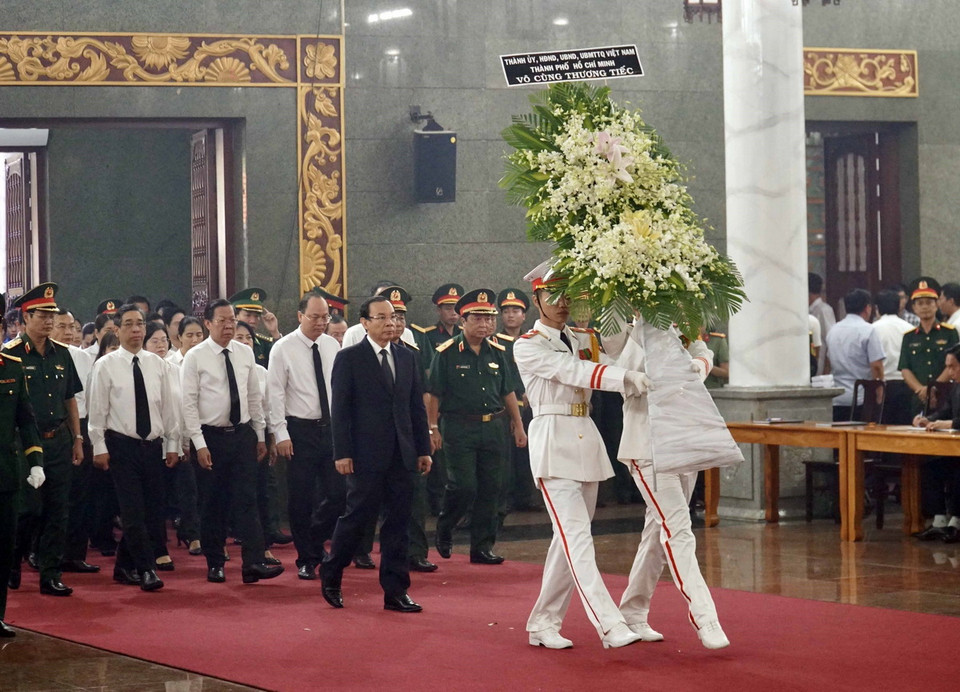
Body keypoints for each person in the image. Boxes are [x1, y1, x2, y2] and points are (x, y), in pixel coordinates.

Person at [513, 264, 650, 649]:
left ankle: (543, 622)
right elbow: (572, 371)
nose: (561, 303)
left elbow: (616, 362)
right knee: (576, 538)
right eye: (551, 296)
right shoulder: (527, 344)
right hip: (553, 442)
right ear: (536, 299)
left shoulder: (581, 337)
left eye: (567, 296)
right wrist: (623, 379)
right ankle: (609, 623)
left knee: (568, 539)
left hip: (585, 439)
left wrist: (637, 325)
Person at [615, 326, 730, 649]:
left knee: (657, 531)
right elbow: (619, 370)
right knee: (678, 528)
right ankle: (704, 616)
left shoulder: (678, 324)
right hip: (646, 443)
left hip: (682, 441)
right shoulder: (624, 328)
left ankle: (633, 612)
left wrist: (699, 365)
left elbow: (701, 349)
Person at [320, 295, 432, 612]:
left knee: (399, 523)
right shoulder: (350, 358)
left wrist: (422, 448)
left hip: (403, 454)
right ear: (365, 323)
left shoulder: (408, 357)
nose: (390, 323)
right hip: (365, 454)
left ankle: (396, 590)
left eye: (394, 317)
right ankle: (331, 571)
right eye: (381, 318)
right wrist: (342, 453)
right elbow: (339, 410)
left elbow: (415, 408)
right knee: (357, 518)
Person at [180, 298, 282, 584]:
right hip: (210, 436)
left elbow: (253, 397)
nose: (228, 326)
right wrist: (198, 444)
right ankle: (215, 562)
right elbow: (188, 404)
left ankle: (253, 563)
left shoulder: (244, 353)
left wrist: (260, 435)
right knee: (213, 503)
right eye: (222, 321)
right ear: (208, 323)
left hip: (242, 435)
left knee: (247, 499)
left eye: (232, 321)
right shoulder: (195, 357)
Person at [428, 289, 526, 565]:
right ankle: (446, 525)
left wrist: (517, 426)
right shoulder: (446, 353)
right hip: (459, 428)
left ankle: (482, 547)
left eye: (489, 319)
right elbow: (434, 393)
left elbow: (508, 392)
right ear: (463, 321)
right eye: (478, 319)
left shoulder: (498, 351)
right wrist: (432, 428)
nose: (485, 324)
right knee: (464, 486)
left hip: (494, 427)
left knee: (491, 488)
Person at [87, 304, 181, 592]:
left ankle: (122, 566)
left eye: (140, 323)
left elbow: (168, 409)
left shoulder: (158, 365)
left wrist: (173, 445)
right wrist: (98, 446)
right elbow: (97, 412)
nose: (136, 329)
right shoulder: (106, 365)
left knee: (153, 511)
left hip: (152, 447)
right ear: (118, 329)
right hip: (121, 447)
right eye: (129, 324)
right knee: (132, 512)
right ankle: (147, 569)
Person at [2, 283, 84, 597]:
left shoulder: (62, 354)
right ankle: (12, 562)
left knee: (57, 509)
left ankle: (51, 574)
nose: (49, 321)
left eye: (52, 315)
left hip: (58, 440)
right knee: (27, 510)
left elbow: (69, 400)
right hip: (24, 444)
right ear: (26, 318)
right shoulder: (10, 355)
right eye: (43, 315)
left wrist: (77, 438)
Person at [266, 292, 342, 580]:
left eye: (326, 317)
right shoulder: (282, 348)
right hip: (299, 430)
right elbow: (274, 393)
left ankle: (312, 540)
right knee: (301, 497)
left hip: (331, 429)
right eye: (315, 317)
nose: (322, 322)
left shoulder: (332, 345)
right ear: (300, 316)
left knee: (338, 494)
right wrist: (280, 433)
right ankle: (306, 557)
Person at [0, 292, 45, 637]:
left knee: (4, 545)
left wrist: (35, 461)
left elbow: (26, 419)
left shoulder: (12, 367)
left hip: (5, 473)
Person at [233, 320, 286, 565]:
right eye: (239, 337)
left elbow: (267, 408)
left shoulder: (261, 372)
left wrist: (270, 438)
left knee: (260, 492)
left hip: (256, 436)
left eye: (248, 338)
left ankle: (263, 547)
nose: (244, 342)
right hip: (225, 434)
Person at [52, 309, 99, 575]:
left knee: (80, 495)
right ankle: (44, 551)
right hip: (53, 429)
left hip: (80, 428)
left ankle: (74, 553)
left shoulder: (83, 359)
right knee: (51, 497)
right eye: (62, 327)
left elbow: (91, 399)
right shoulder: (44, 357)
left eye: (72, 327)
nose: (69, 332)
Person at [494, 288, 539, 514]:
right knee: (507, 456)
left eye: (516, 311)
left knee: (527, 454)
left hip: (533, 404)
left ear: (524, 315)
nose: (511, 315)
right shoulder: (494, 342)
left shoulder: (533, 340)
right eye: (506, 311)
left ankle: (525, 496)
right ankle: (508, 498)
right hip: (506, 407)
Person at [911, 343, 960, 543]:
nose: (949, 372)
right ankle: (939, 520)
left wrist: (949, 423)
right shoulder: (956, 387)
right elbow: (945, 411)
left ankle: (956, 522)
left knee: (958, 470)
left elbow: (950, 419)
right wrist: (928, 419)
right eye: (947, 367)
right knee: (930, 466)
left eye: (953, 366)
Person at [825, 288, 885, 421]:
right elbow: (876, 366)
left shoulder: (833, 330)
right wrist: (879, 392)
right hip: (861, 398)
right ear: (868, 308)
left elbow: (827, 363)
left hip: (837, 397)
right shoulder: (868, 330)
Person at [899, 280, 958, 415]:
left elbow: (955, 364)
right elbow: (905, 368)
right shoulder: (909, 337)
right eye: (920, 303)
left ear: (936, 305)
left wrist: (933, 388)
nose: (925, 307)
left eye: (929, 303)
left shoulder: (949, 332)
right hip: (918, 397)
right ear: (913, 308)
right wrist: (921, 390)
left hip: (945, 395)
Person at [872, 289, 916, 424]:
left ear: (877, 308)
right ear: (899, 307)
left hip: (882, 385)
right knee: (904, 428)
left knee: (884, 429)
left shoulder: (873, 329)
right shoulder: (909, 328)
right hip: (907, 385)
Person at [230, 287, 281, 368]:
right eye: (248, 315)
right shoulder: (227, 341)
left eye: (256, 316)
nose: (253, 321)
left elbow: (282, 361)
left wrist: (274, 332)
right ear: (235, 316)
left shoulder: (263, 344)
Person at [809, 272, 837, 376]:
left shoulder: (824, 310)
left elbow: (831, 339)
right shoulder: (809, 310)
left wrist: (827, 368)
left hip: (820, 368)